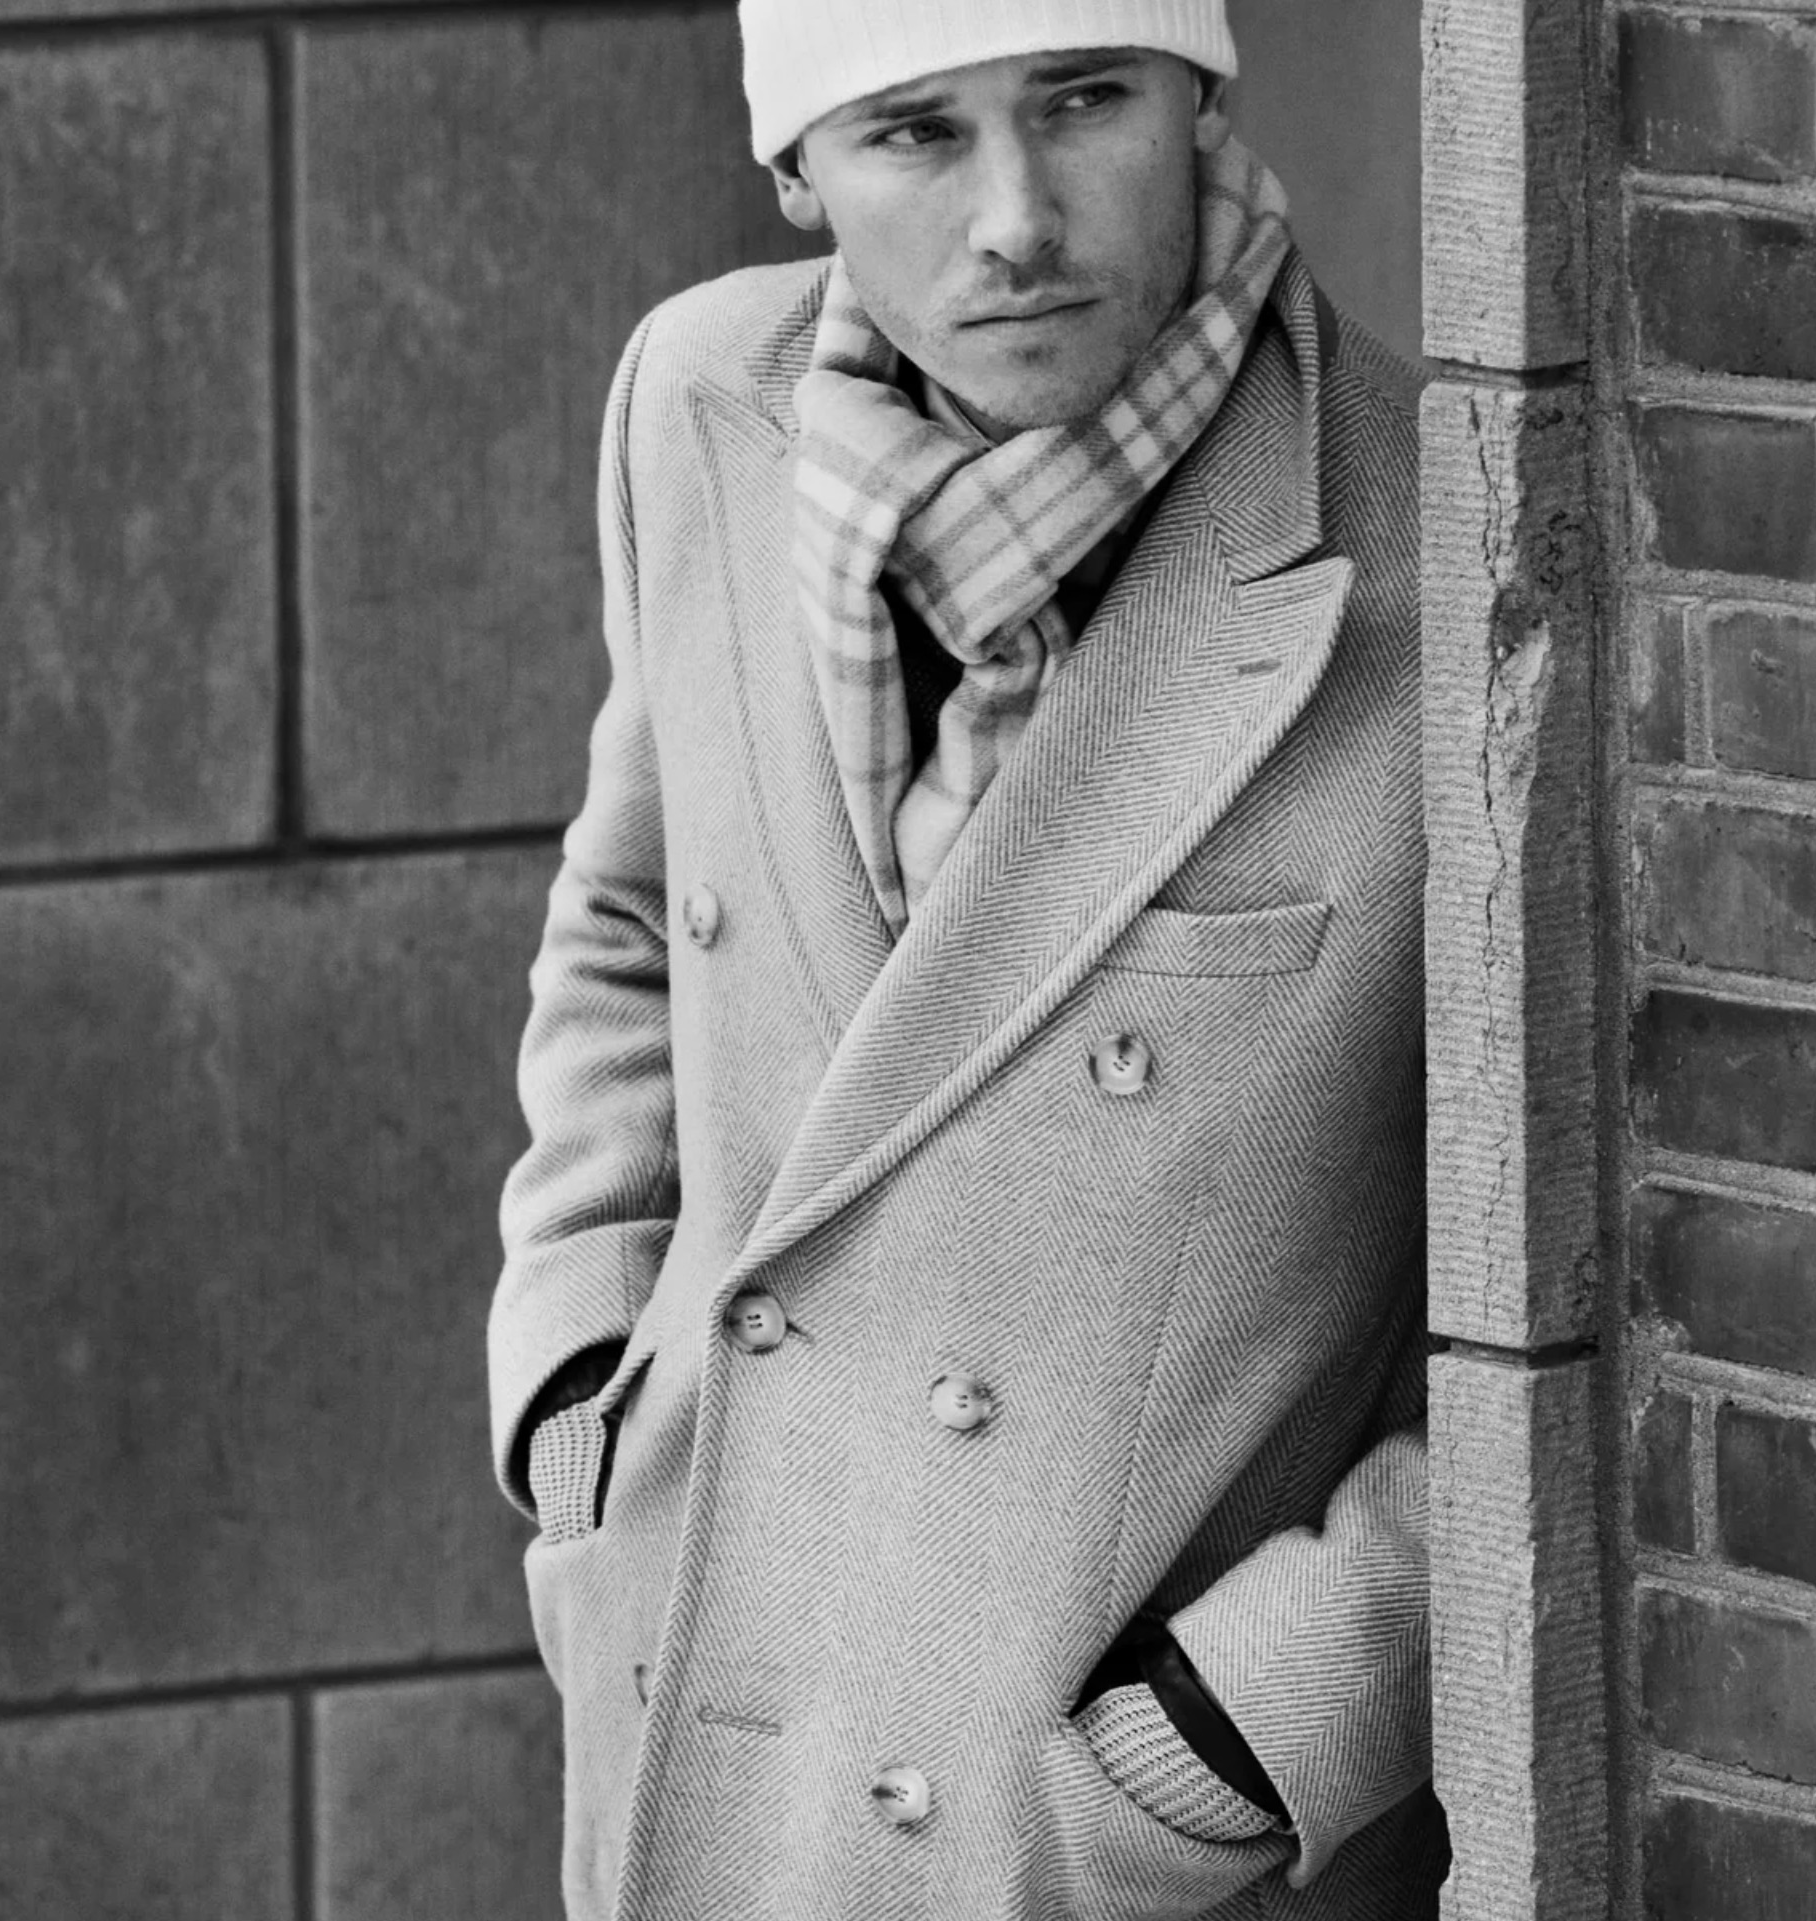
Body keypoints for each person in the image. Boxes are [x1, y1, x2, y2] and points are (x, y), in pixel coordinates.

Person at [487, 2, 1443, 1913]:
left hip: (1100, 1825)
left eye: (1084, 99)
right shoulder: (699, 407)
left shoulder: (1444, 535)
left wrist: (1256, 1718)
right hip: (710, 1664)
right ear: (798, 167)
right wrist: (582, 1376)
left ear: (1198, 94)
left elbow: (1621, 1284)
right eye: (915, 131)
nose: (1017, 218)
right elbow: (632, 913)